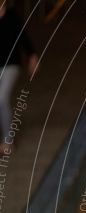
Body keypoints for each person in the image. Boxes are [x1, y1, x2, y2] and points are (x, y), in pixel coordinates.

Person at [0, 2, 38, 155]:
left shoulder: (11, 16)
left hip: (11, 65)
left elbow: (23, 36)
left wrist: (32, 56)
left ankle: (8, 141)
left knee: (1, 99)